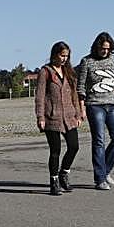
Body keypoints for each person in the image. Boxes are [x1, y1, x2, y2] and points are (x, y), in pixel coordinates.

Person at [35, 41, 84, 196]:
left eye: (67, 56)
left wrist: (78, 113)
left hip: (69, 116)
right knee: (55, 150)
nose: (64, 59)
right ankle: (54, 181)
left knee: (74, 146)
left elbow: (74, 95)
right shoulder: (46, 72)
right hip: (52, 117)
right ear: (55, 54)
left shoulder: (69, 72)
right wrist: (40, 116)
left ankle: (64, 172)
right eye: (62, 55)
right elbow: (40, 96)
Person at [77, 31, 114, 190]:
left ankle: (106, 170)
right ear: (97, 47)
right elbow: (81, 87)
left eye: (108, 49)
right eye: (103, 48)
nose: (105, 51)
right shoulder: (87, 62)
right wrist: (82, 108)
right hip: (94, 104)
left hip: (112, 104)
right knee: (99, 140)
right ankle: (99, 179)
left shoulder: (113, 59)